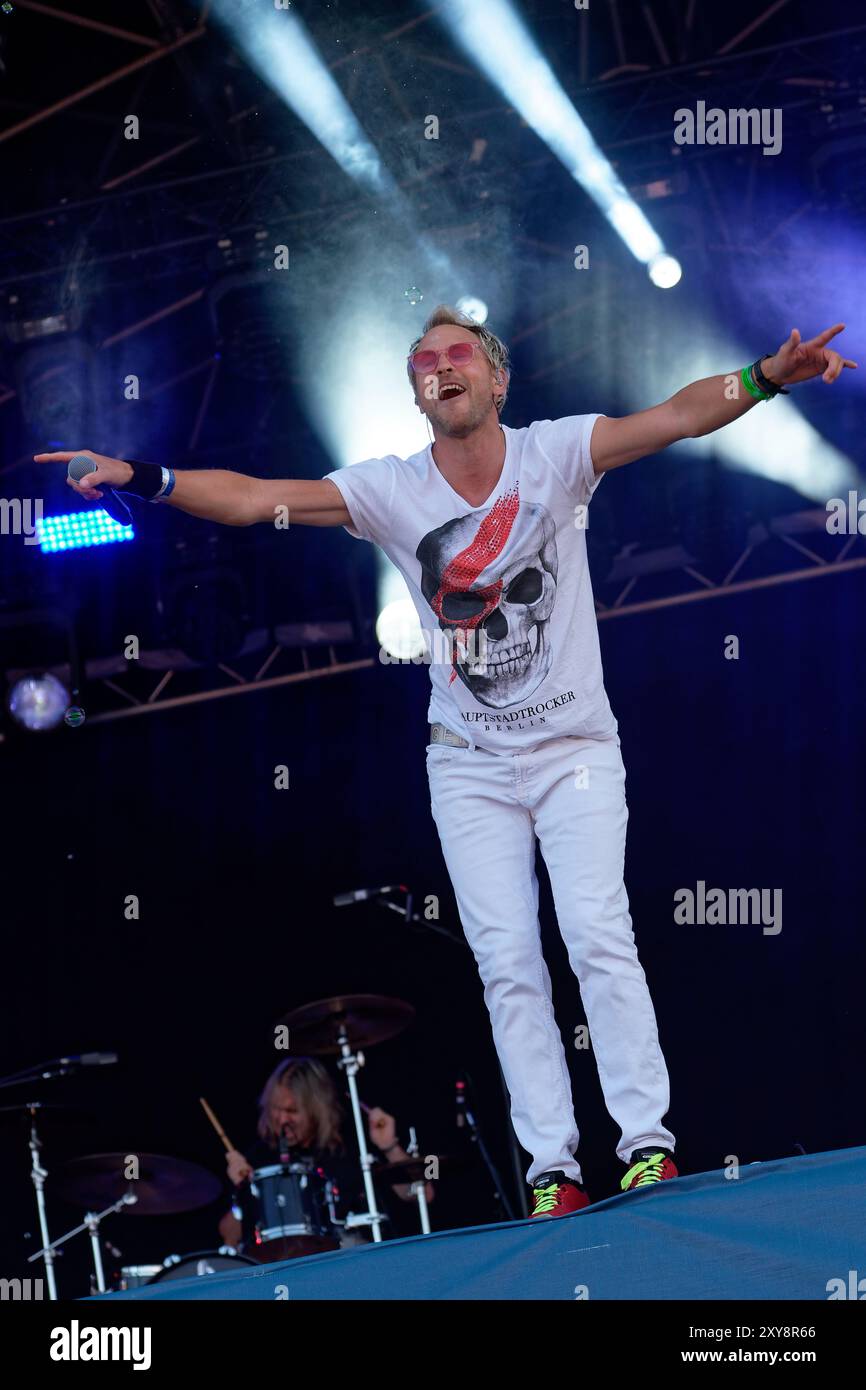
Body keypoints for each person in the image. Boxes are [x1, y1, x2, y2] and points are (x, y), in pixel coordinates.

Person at [38, 310, 855, 1219]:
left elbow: (677, 415)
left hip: (574, 747)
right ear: (417, 392)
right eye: (423, 360)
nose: (440, 365)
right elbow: (247, 496)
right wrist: (141, 478)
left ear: (496, 380)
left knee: (596, 935)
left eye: (458, 352)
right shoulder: (391, 490)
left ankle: (645, 1146)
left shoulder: (558, 454)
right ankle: (553, 1164)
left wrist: (766, 377)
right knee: (507, 962)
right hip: (468, 762)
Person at [217, 1057, 434, 1256]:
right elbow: (230, 1237)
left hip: (354, 1266)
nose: (282, 1119)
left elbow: (422, 1193)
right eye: (276, 1109)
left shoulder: (348, 1147)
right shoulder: (259, 1158)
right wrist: (243, 1192)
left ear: (316, 1109)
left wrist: (389, 1147)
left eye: (292, 1111)